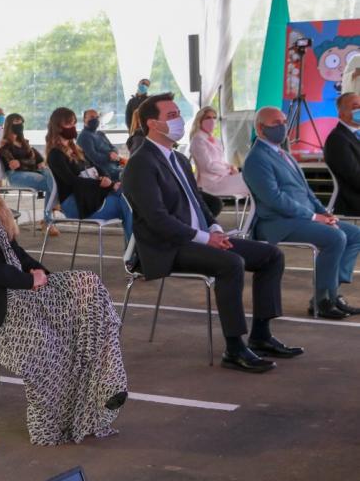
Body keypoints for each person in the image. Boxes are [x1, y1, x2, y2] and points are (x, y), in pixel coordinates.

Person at [0, 125, 128, 445]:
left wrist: (39, 273)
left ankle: (107, 383)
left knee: (89, 286)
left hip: (20, 287)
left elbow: (11, 250)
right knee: (49, 346)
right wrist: (26, 281)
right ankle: (52, 421)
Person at [124, 93, 300, 373]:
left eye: (178, 114)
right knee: (231, 263)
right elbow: (156, 220)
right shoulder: (140, 163)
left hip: (199, 238)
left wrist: (215, 228)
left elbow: (200, 203)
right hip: (167, 246)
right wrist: (206, 238)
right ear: (152, 124)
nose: (179, 120)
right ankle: (235, 348)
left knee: (271, 255)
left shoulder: (179, 160)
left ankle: (261, 335)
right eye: (171, 116)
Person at [243, 106, 360, 320]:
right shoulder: (256, 159)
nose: (283, 127)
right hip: (277, 222)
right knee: (335, 237)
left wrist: (324, 212)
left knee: (354, 235)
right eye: (276, 124)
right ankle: (323, 300)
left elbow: (307, 192)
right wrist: (315, 217)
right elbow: (274, 200)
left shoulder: (284, 154)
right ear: (260, 129)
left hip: (302, 217)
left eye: (284, 121)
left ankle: (332, 291)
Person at [45, 108, 132, 240]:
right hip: (76, 203)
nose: (73, 127)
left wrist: (106, 179)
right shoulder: (55, 154)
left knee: (130, 199)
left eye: (74, 123)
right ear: (57, 127)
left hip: (89, 195)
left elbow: (96, 167)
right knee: (128, 205)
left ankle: (134, 252)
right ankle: (134, 255)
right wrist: (104, 185)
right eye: (68, 124)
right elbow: (72, 181)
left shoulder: (76, 149)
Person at [0, 113, 58, 234]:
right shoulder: (4, 145)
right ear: (9, 124)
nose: (19, 125)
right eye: (16, 122)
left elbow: (38, 159)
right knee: (52, 183)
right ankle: (52, 209)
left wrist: (23, 162)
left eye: (21, 122)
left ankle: (48, 218)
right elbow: (13, 165)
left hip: (31, 172)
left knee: (51, 176)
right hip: (16, 176)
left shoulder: (24, 143)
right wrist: (31, 162)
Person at [189, 106, 249, 198]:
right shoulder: (198, 140)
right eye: (208, 118)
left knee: (253, 180)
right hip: (211, 183)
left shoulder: (215, 139)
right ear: (200, 120)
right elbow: (208, 166)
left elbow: (220, 161)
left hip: (223, 178)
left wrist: (231, 167)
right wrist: (229, 170)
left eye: (214, 118)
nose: (212, 120)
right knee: (252, 180)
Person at [323, 92, 360, 216]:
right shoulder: (337, 139)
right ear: (341, 113)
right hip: (353, 204)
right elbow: (355, 177)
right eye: (355, 107)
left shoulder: (355, 135)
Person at [77, 109, 123, 180]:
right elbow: (93, 158)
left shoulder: (100, 134)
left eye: (97, 117)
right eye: (92, 117)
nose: (95, 119)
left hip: (116, 166)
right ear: (84, 120)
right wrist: (109, 156)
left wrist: (113, 152)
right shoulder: (84, 137)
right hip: (105, 172)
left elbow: (113, 147)